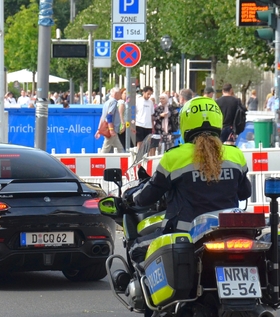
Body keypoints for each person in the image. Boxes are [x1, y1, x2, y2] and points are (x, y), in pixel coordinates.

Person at [128, 96, 252, 264]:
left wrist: (131, 198)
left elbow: (148, 196)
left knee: (136, 248)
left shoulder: (174, 157)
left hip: (183, 235)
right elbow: (245, 193)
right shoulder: (235, 154)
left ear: (185, 123)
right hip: (227, 233)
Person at [94, 87, 122, 153]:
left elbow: (102, 117)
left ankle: (124, 159)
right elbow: (109, 116)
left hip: (108, 128)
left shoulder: (107, 102)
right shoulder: (114, 102)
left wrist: (99, 129)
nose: (120, 95)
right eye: (120, 93)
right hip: (111, 129)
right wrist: (111, 129)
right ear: (116, 94)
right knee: (106, 148)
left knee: (119, 147)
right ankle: (99, 162)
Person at [135, 86, 154, 151]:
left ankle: (146, 157)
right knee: (140, 142)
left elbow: (151, 115)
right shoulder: (138, 101)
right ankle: (139, 157)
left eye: (150, 94)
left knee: (147, 143)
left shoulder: (151, 102)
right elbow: (133, 113)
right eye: (148, 94)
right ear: (143, 92)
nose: (149, 96)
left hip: (148, 126)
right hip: (139, 124)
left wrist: (152, 126)